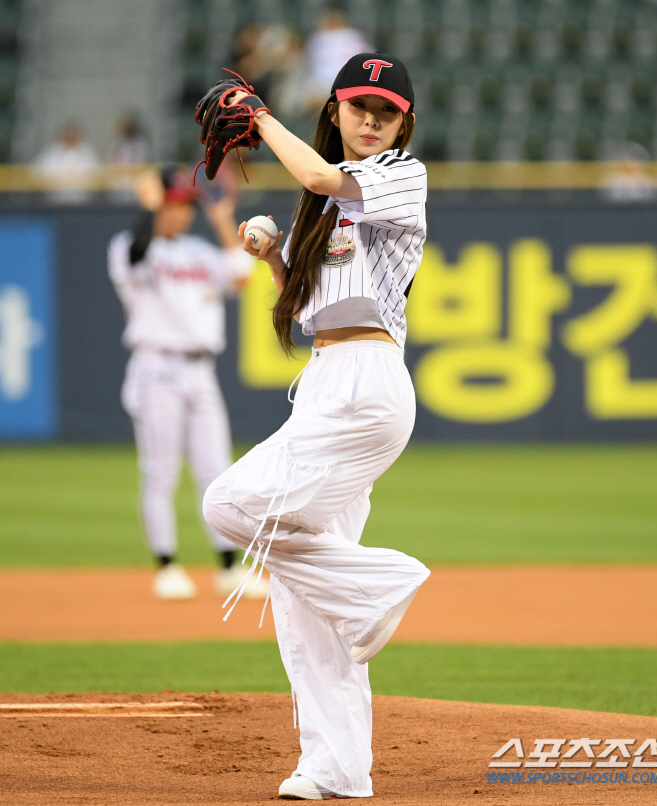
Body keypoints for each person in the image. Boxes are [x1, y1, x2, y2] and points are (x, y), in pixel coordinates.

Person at [202, 53, 430, 799]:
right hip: (330, 377)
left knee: (228, 506)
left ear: (403, 124)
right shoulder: (316, 212)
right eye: (359, 105)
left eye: (386, 110)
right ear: (334, 110)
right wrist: (272, 259)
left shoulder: (400, 174)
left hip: (368, 383)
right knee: (304, 606)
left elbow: (325, 177)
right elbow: (303, 321)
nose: (371, 118)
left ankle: (384, 582)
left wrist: (260, 116)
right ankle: (335, 768)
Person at [108, 165, 269, 601]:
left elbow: (241, 275)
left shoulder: (198, 252)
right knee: (160, 472)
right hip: (156, 369)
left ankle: (227, 566)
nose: (180, 213)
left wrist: (221, 222)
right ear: (159, 207)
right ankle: (166, 565)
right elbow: (136, 254)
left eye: (184, 206)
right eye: (173, 205)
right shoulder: (130, 247)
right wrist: (150, 208)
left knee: (215, 471)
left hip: (201, 371)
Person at [32, 122, 100, 204]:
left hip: (82, 203)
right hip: (54, 202)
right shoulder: (51, 152)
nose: (70, 138)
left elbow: (98, 175)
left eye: (73, 135)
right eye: (68, 135)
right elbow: (35, 173)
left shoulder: (88, 152)